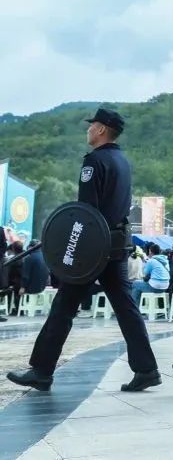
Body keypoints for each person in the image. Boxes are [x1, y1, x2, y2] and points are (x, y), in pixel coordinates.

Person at [8, 108, 160, 393]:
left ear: (101, 130)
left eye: (92, 126)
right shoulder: (122, 161)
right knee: (127, 309)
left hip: (94, 248)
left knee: (64, 306)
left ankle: (41, 370)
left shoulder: (94, 162)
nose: (88, 130)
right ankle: (147, 368)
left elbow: (86, 213)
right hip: (116, 246)